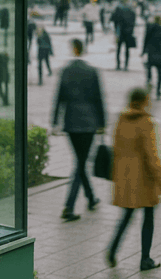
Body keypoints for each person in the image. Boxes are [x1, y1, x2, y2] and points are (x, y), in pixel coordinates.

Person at [106, 87, 161, 271]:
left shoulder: (121, 119)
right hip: (144, 178)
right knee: (148, 216)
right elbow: (151, 155)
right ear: (143, 102)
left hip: (125, 176)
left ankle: (112, 250)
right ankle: (145, 259)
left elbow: (115, 147)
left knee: (127, 215)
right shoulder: (146, 122)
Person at [51, 39, 106, 221]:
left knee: (80, 161)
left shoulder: (65, 71)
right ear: (82, 50)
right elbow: (99, 98)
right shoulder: (92, 71)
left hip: (71, 122)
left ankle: (91, 197)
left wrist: (55, 121)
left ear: (73, 49)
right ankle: (69, 206)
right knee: (81, 163)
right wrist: (102, 123)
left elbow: (59, 97)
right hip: (89, 123)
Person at [142, 15, 161, 99]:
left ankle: (149, 83)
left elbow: (145, 41)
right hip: (160, 52)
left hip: (151, 52)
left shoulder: (150, 29)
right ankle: (158, 90)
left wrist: (143, 52)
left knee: (149, 69)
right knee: (160, 73)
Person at [112, 0, 136, 71]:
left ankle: (118, 65)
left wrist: (116, 30)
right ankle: (126, 65)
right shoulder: (131, 10)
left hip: (120, 32)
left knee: (118, 49)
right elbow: (133, 21)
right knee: (127, 49)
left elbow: (114, 19)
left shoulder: (118, 9)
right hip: (128, 32)